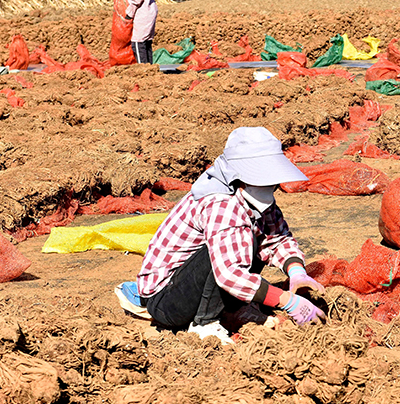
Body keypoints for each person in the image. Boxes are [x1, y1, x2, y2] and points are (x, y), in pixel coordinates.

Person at [114, 127, 326, 344]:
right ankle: (205, 323)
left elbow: (278, 237)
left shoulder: (255, 198)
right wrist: (285, 300)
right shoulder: (220, 203)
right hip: (167, 300)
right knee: (240, 243)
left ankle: (230, 310)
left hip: (194, 288)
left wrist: (297, 272)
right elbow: (228, 274)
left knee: (250, 238)